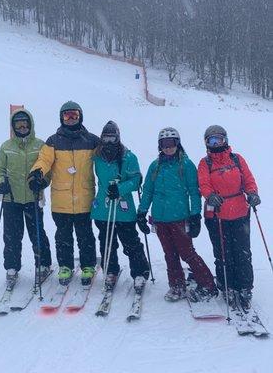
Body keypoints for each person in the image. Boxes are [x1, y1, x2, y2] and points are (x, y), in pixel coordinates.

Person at [137, 127, 217, 302]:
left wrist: (195, 216)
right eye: (164, 144)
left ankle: (208, 284)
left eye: (171, 143)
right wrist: (142, 212)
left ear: (177, 144)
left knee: (187, 253)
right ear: (160, 146)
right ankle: (177, 286)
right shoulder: (155, 166)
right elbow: (148, 191)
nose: (168, 148)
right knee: (169, 254)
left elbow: (193, 192)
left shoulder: (186, 165)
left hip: (180, 218)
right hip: (159, 219)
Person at [29, 101, 99, 286]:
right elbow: (44, 160)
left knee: (85, 235)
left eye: (74, 115)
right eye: (66, 115)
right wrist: (37, 172)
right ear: (61, 118)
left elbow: (108, 156)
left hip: (85, 198)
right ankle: (65, 266)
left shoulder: (92, 140)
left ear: (80, 116)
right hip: (61, 200)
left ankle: (88, 266)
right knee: (63, 236)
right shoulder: (53, 141)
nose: (70, 119)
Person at [198, 125, 260, 309]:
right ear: (207, 143)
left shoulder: (237, 159)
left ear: (225, 140)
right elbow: (203, 183)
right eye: (211, 140)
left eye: (218, 139)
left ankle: (245, 287)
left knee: (242, 252)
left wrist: (252, 193)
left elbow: (248, 179)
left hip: (240, 213)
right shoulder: (205, 163)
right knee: (224, 253)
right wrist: (210, 195)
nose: (216, 144)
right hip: (216, 215)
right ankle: (228, 286)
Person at [0, 109, 52, 287]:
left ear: (30, 124)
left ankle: (43, 264)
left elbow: (47, 169)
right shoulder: (6, 146)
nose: (22, 126)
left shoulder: (40, 145)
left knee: (37, 233)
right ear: (13, 126)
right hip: (11, 199)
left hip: (32, 198)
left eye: (25, 123)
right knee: (11, 235)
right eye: (18, 123)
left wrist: (42, 182)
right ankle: (12, 268)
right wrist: (0, 183)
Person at [91, 121, 149, 291]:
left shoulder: (128, 157)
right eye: (106, 138)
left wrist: (120, 188)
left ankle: (140, 272)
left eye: (112, 138)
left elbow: (137, 179)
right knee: (106, 241)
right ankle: (110, 270)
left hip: (123, 208)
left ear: (118, 137)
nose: (109, 142)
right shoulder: (96, 155)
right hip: (103, 207)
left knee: (130, 241)